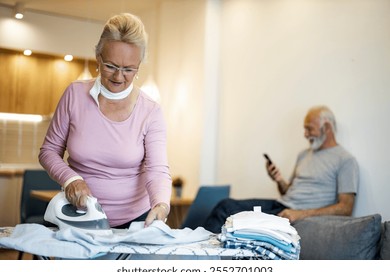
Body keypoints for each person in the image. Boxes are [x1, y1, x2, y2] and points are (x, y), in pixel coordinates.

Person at [38, 13, 172, 229]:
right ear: (98, 57)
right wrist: (71, 179)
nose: (119, 77)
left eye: (129, 69)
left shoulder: (150, 111)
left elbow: (157, 169)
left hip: (135, 221)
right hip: (80, 215)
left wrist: (161, 204)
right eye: (111, 66)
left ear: (139, 65)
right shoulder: (74, 94)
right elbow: (48, 151)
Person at [204, 105, 359, 233]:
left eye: (309, 129)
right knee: (225, 205)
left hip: (298, 211)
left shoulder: (345, 160)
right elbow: (288, 191)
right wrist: (278, 180)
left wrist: (300, 214)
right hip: (281, 204)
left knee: (230, 214)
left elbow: (346, 208)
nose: (305, 134)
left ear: (326, 128)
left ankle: (196, 254)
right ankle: (195, 250)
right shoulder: (304, 155)